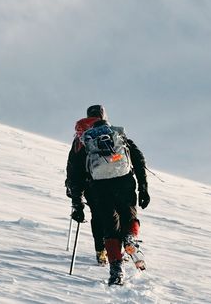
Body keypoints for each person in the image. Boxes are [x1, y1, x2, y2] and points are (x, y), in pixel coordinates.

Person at [66, 104, 150, 286]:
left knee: (110, 226)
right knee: (129, 215)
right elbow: (137, 157)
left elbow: (75, 173)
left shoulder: (83, 139)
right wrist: (143, 187)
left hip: (98, 187)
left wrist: (77, 203)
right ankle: (130, 237)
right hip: (124, 181)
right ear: (104, 116)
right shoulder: (116, 134)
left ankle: (116, 269)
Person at [65, 105, 108, 265]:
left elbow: (72, 164)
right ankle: (117, 249)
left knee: (97, 216)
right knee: (113, 215)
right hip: (108, 181)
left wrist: (72, 188)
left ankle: (100, 251)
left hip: (88, 184)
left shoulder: (80, 136)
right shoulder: (107, 133)